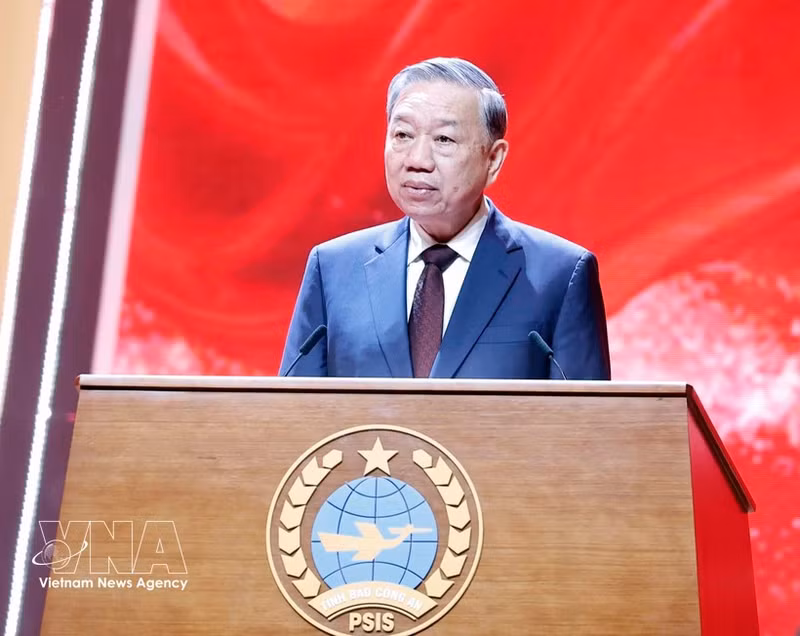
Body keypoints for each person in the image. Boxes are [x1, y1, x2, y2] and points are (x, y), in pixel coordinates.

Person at [280, 57, 610, 380]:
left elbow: (585, 427)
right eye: (402, 136)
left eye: (444, 140)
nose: (417, 160)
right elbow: (293, 416)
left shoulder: (559, 275)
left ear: (493, 159)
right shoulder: (334, 269)